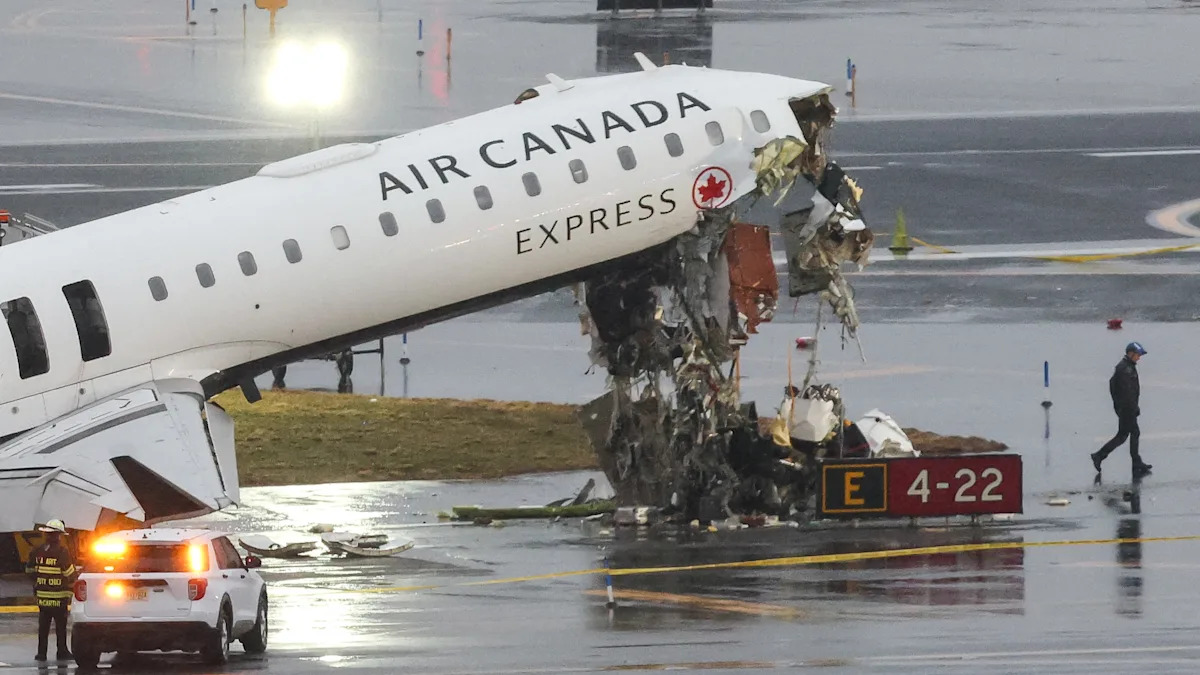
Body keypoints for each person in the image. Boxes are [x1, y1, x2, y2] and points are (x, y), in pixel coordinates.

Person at [1091, 342, 1152, 477]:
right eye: (1137, 355)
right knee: (1123, 436)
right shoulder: (1124, 369)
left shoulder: (1127, 367)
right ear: (1131, 354)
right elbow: (1126, 392)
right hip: (1126, 409)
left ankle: (1136, 462)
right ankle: (1099, 455)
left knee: (1133, 433)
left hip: (1127, 408)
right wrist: (1129, 408)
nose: (1139, 358)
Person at [24, 519, 76, 661]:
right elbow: (68, 573)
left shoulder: (37, 551)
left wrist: (39, 581)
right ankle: (62, 651)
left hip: (42, 597)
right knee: (60, 627)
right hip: (59, 597)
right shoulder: (62, 552)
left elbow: (29, 570)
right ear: (58, 535)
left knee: (43, 627)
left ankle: (41, 654)